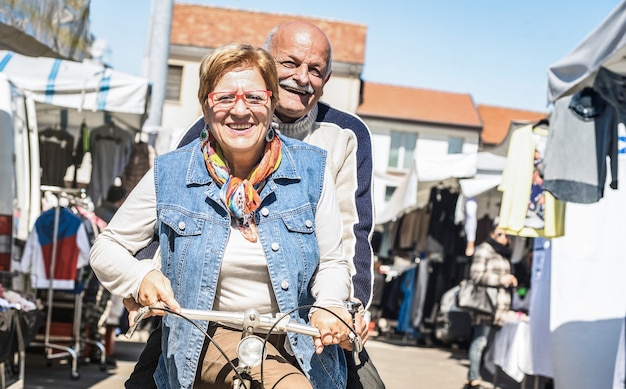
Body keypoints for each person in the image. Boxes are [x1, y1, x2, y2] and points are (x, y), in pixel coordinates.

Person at [124, 20, 384, 389]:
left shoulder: (346, 134)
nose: (302, 78)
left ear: (326, 80)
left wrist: (348, 308)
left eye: (315, 70)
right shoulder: (216, 122)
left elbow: (353, 230)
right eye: (289, 63)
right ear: (265, 64)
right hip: (211, 311)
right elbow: (167, 214)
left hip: (308, 310)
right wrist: (144, 280)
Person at [464, 222, 518, 389]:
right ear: (493, 234)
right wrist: (499, 280)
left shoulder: (505, 254)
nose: (504, 238)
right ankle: (474, 377)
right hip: (486, 304)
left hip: (500, 306)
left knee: (489, 344)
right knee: (480, 341)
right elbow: (476, 275)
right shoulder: (484, 249)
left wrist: (511, 280)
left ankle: (474, 375)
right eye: (500, 234)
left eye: (507, 235)